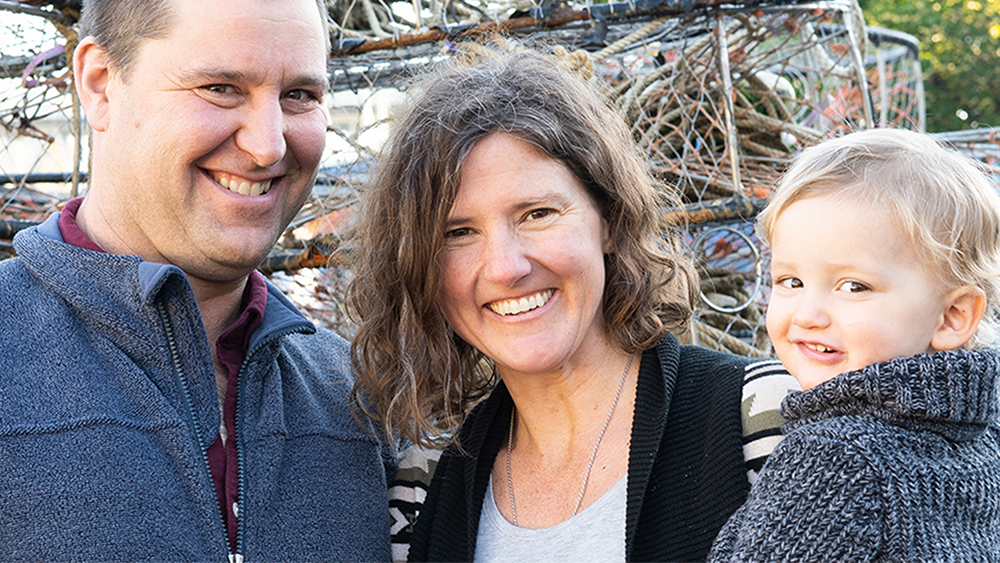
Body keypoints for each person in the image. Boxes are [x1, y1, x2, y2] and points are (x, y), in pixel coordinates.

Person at [347, 39, 799, 562]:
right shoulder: (422, 488)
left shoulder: (765, 421)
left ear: (609, 218)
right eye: (458, 232)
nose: (506, 267)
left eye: (537, 214)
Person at [0, 0, 391, 560]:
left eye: (298, 95)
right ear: (101, 84)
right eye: (221, 87)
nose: (268, 145)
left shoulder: (359, 398)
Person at [708, 128, 1000, 561]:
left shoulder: (835, 461)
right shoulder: (981, 440)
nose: (808, 314)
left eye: (853, 286)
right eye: (790, 281)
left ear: (952, 316)